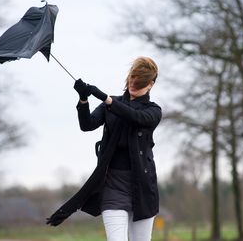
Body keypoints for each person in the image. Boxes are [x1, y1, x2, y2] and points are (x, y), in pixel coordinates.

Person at [46, 56, 162, 241]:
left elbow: (136, 117)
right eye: (132, 79)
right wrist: (83, 99)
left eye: (139, 83)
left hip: (142, 189)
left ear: (151, 84)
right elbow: (87, 125)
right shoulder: (111, 105)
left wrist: (106, 99)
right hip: (113, 188)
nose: (133, 85)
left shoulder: (153, 111)